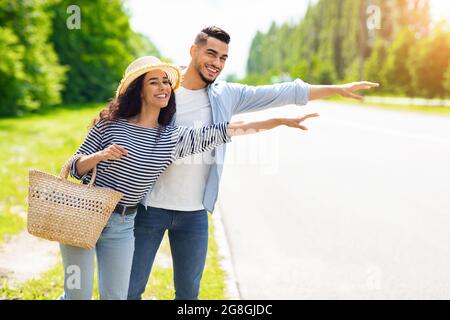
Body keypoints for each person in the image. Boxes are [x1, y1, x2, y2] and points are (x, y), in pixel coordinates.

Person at [128, 26, 379, 300]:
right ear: (193, 50)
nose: (216, 63)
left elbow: (281, 92)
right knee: (129, 289)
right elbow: (127, 118)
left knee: (189, 296)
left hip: (195, 213)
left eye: (223, 58)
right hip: (149, 206)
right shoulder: (165, 86)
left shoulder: (225, 95)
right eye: (211, 53)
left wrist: (337, 89)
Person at [59, 55, 319, 300]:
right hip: (85, 213)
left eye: (166, 82)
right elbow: (73, 166)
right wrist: (99, 156)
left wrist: (281, 121)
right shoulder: (110, 124)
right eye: (154, 82)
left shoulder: (171, 138)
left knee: (117, 296)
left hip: (123, 225)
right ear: (139, 90)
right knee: (77, 295)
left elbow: (227, 130)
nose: (163, 87)